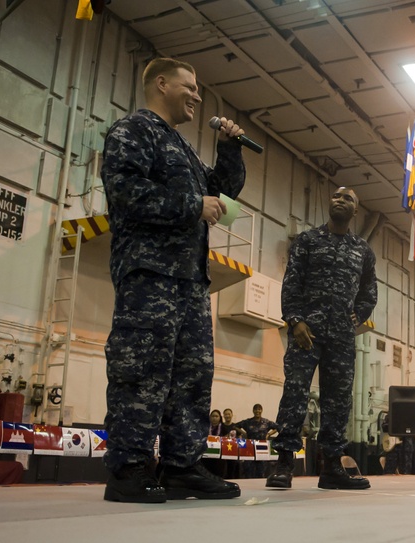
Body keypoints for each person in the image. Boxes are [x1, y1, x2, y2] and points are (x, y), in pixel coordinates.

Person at [101, 57, 244, 504]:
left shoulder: (182, 147)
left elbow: (219, 193)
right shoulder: (133, 131)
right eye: (191, 86)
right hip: (150, 275)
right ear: (161, 84)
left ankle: (182, 466)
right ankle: (128, 467)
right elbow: (124, 191)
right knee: (140, 370)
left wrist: (230, 148)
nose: (198, 96)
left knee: (192, 376)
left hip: (189, 281)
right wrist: (191, 206)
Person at [265, 186, 378, 490]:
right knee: (295, 394)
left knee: (338, 401)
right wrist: (295, 320)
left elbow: (369, 291)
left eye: (348, 199)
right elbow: (292, 283)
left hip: (341, 336)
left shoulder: (363, 250)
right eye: (336, 196)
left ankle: (331, 468)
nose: (340, 201)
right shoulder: (307, 241)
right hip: (307, 333)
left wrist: (357, 316)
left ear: (356, 210)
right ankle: (284, 464)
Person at [237, 403, 278, 478]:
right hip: (250, 447)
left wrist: (269, 434)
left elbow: (277, 427)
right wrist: (243, 433)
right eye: (255, 409)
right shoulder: (248, 422)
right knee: (248, 469)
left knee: (261, 470)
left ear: (261, 410)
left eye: (259, 409)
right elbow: (235, 426)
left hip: (262, 448)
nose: (257, 411)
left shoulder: (266, 422)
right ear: (253, 411)